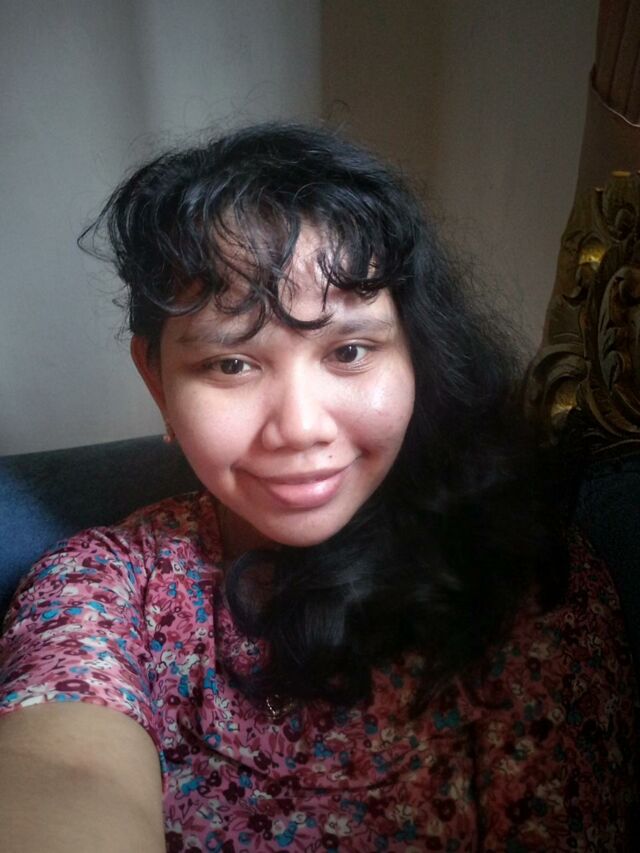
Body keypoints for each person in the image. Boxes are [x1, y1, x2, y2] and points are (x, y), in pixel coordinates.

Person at [0, 122, 637, 852]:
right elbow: (69, 773)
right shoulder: (104, 585)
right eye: (232, 364)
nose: (300, 428)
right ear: (158, 381)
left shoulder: (531, 584)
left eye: (350, 350)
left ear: (417, 353)